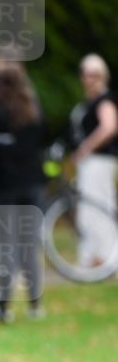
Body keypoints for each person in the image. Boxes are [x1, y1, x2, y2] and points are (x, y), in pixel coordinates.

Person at [0, 63, 47, 321]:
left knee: (5, 248)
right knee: (28, 247)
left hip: (4, 188)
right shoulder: (34, 113)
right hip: (32, 186)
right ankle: (34, 304)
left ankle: (3, 307)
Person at [68, 54, 118, 268]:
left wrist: (86, 148)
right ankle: (92, 258)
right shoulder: (87, 102)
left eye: (94, 75)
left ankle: (106, 259)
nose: (89, 79)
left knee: (99, 208)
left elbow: (109, 127)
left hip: (99, 161)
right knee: (87, 211)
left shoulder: (104, 100)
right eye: (86, 75)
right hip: (88, 163)